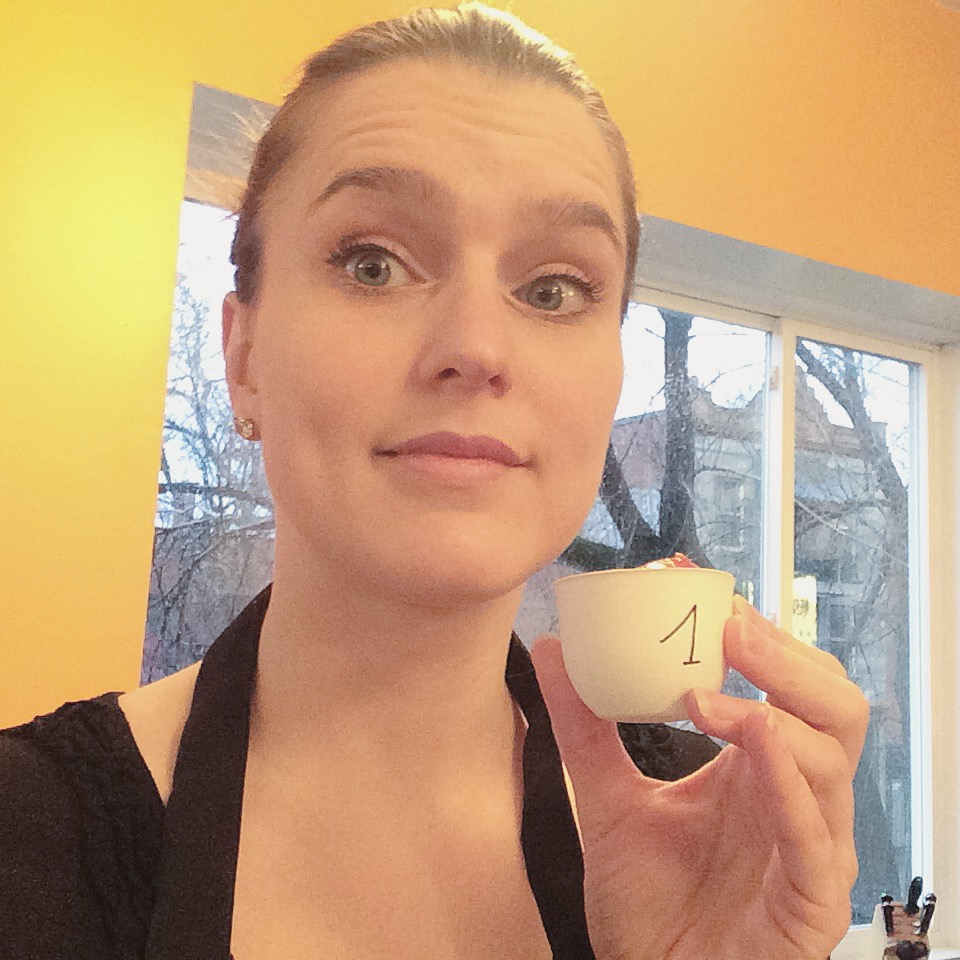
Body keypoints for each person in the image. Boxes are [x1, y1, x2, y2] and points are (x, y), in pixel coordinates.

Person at [0, 3, 868, 958]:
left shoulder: (707, 823)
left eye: (552, 290)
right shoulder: (25, 841)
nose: (476, 347)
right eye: (373, 265)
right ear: (243, 358)